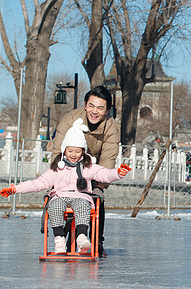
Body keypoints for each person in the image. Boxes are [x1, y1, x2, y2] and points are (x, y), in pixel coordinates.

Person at [0, 118, 131, 254]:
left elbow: (103, 174)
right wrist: (15, 188)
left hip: (81, 196)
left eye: (77, 151)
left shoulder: (88, 166)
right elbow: (38, 183)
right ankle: (59, 239)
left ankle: (81, 238)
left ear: (83, 151)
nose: (73, 155)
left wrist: (118, 173)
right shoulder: (57, 168)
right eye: (70, 151)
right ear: (64, 151)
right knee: (54, 206)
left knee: (83, 205)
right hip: (60, 195)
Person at [52, 85, 120, 258]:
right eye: (91, 105)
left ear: (107, 110)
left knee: (97, 200)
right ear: (85, 105)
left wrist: (100, 186)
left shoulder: (110, 127)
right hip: (68, 163)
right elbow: (57, 150)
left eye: (100, 107)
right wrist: (57, 177)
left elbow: (109, 157)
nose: (94, 111)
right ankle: (65, 238)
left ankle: (97, 241)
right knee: (64, 198)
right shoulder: (70, 119)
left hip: (93, 166)